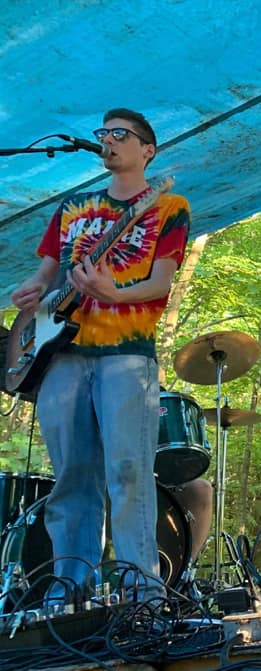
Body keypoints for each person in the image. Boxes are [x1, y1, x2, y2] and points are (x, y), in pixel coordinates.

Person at [10, 108, 190, 603]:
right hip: (60, 355)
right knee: (70, 477)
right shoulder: (72, 206)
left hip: (127, 355)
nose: (108, 140)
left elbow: (161, 282)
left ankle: (143, 596)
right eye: (103, 133)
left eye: (119, 134)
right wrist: (32, 288)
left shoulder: (168, 205)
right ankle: (69, 594)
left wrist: (113, 293)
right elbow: (45, 274)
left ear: (147, 150)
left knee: (128, 472)